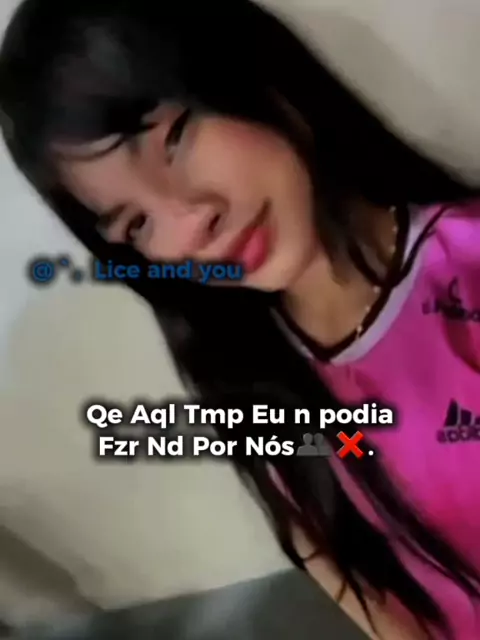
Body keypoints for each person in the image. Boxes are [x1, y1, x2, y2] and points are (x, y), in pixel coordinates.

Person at [1, 1, 480, 637]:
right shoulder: (250, 369)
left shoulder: (466, 265)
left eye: (175, 139)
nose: (188, 225)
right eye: (136, 224)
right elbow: (349, 573)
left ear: (250, 76)